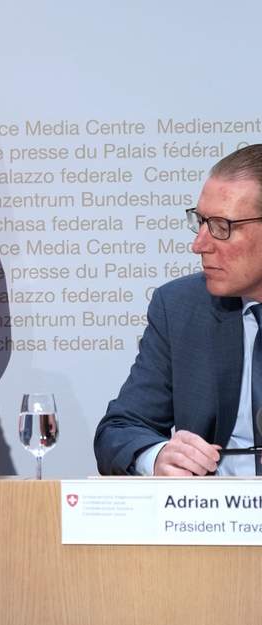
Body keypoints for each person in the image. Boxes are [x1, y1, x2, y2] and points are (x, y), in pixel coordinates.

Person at [95, 144, 262, 476]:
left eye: (222, 226)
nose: (199, 244)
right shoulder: (181, 306)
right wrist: (157, 457)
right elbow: (119, 430)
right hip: (209, 518)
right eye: (201, 221)